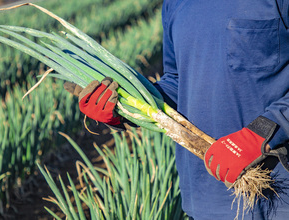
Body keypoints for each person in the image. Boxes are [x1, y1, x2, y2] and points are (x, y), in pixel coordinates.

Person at [65, 0, 289, 219]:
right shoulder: (176, 3)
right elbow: (178, 81)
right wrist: (123, 107)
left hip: (278, 195)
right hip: (203, 198)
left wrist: (263, 132)